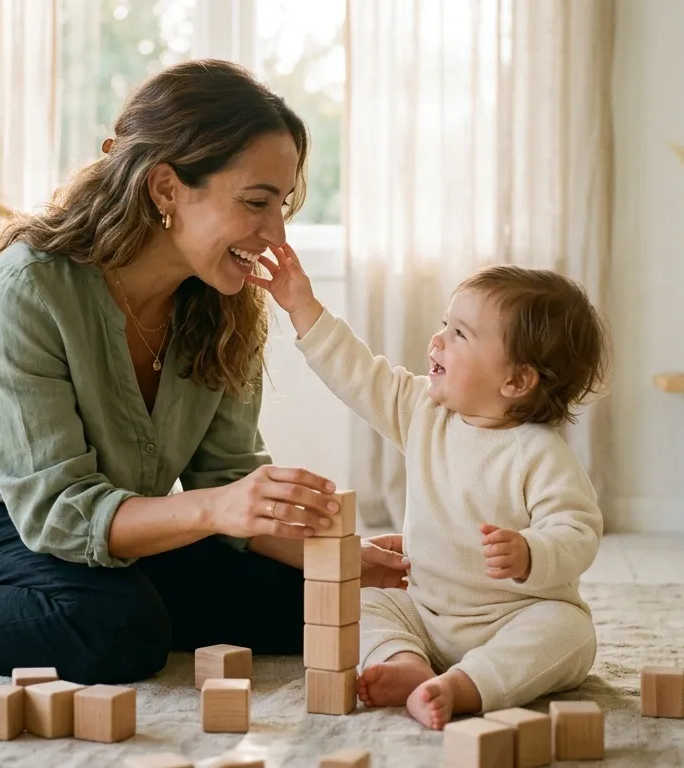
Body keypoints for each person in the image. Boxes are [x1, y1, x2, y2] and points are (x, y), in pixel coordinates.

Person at [0, 59, 409, 683]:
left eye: (284, 206)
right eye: (257, 202)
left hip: (116, 527)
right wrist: (216, 510)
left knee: (304, 607)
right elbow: (61, 514)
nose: (275, 234)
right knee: (114, 628)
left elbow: (228, 478)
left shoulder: (227, 305)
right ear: (165, 189)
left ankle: (96, 601)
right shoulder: (29, 287)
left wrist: (340, 557)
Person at [249, 244, 609, 729]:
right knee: (359, 598)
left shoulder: (541, 454)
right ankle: (405, 663)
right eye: (445, 324)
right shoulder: (424, 412)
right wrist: (301, 306)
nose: (436, 341)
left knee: (571, 633)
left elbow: (579, 531)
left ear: (518, 380)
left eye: (459, 334)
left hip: (515, 616)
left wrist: (531, 552)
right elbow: (358, 374)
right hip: (425, 610)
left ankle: (466, 685)